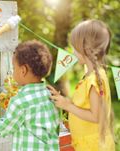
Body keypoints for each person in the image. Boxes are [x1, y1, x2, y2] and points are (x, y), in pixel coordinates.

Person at [0, 40, 59, 150]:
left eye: (14, 67)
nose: (12, 71)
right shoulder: (51, 95)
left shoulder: (20, 101)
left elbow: (5, 128)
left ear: (23, 70)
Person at [48, 19, 115, 151]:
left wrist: (67, 106)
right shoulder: (90, 76)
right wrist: (64, 101)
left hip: (93, 146)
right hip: (88, 144)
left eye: (74, 48)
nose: (72, 53)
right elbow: (84, 106)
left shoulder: (94, 79)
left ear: (85, 49)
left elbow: (95, 116)